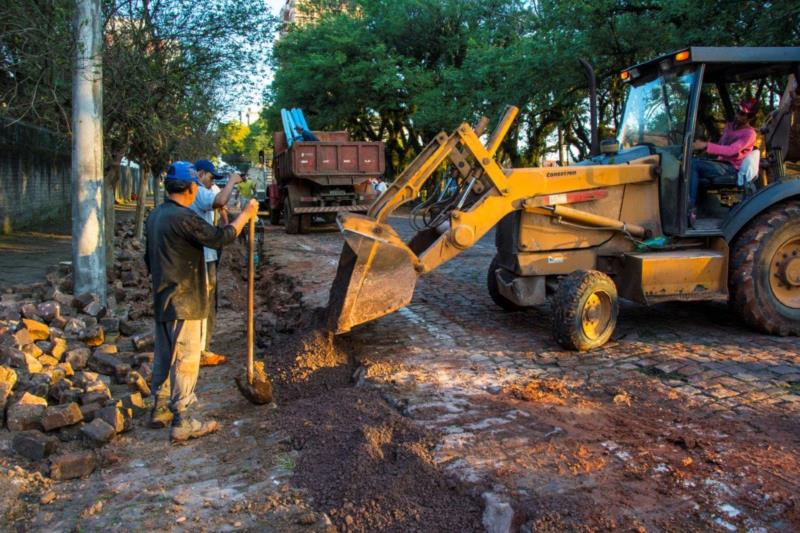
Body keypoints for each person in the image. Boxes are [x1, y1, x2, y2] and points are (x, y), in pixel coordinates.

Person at [145, 161, 259, 443]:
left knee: (164, 354)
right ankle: (183, 419)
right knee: (186, 357)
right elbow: (221, 238)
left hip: (163, 296)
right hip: (185, 297)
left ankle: (159, 409)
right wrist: (245, 214)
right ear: (191, 188)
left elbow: (147, 259)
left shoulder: (156, 215)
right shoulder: (184, 218)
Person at [190, 159, 242, 365]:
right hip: (202, 256)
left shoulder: (202, 190)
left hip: (207, 254)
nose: (212, 183)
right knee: (206, 303)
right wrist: (231, 182)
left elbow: (220, 207)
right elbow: (220, 201)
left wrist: (223, 217)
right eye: (211, 178)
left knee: (210, 302)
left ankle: (203, 346)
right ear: (201, 173)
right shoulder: (198, 191)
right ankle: (201, 350)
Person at [688, 97, 758, 226]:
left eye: (743, 114)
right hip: (720, 163)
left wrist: (705, 145)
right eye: (738, 111)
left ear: (750, 117)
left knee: (693, 165)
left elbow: (731, 150)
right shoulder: (729, 127)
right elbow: (721, 145)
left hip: (731, 168)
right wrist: (701, 150)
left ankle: (689, 208)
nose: (738, 115)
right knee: (688, 162)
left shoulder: (750, 133)